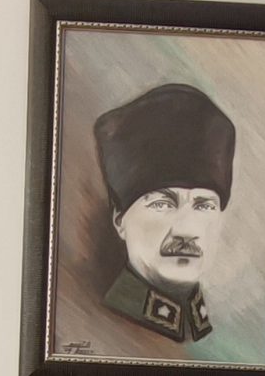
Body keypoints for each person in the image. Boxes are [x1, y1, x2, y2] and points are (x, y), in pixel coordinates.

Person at [91, 82, 236, 347]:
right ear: (119, 220)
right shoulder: (96, 328)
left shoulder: (226, 338)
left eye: (204, 206)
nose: (187, 231)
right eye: (162, 204)